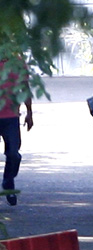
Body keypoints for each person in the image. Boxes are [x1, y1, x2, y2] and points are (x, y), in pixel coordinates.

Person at [0, 57, 33, 206]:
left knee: (14, 154)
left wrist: (29, 112)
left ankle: (8, 181)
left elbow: (25, 87)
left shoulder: (17, 62)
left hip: (11, 116)